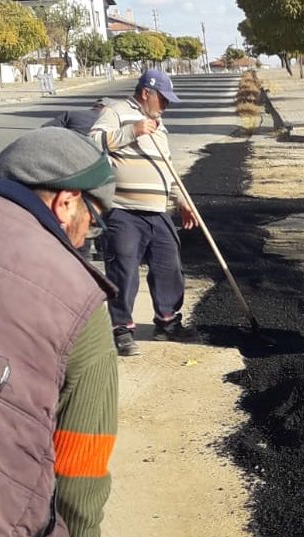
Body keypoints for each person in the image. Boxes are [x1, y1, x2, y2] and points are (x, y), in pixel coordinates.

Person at [0, 128, 119, 537]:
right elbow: (80, 462)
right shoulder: (74, 294)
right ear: (66, 201)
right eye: (93, 217)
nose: (88, 235)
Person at [89, 69, 198, 357]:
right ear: (146, 93)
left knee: (169, 267)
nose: (166, 106)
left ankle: (167, 322)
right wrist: (132, 131)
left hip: (157, 210)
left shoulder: (159, 125)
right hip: (123, 211)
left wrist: (182, 201)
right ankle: (122, 328)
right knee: (123, 270)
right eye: (163, 99)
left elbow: (168, 169)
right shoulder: (116, 112)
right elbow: (91, 142)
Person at [44, 97, 115, 261]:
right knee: (101, 208)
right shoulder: (112, 121)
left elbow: (46, 130)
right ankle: (103, 250)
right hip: (100, 170)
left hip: (71, 170)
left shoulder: (73, 115)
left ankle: (82, 253)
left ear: (94, 106)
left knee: (79, 210)